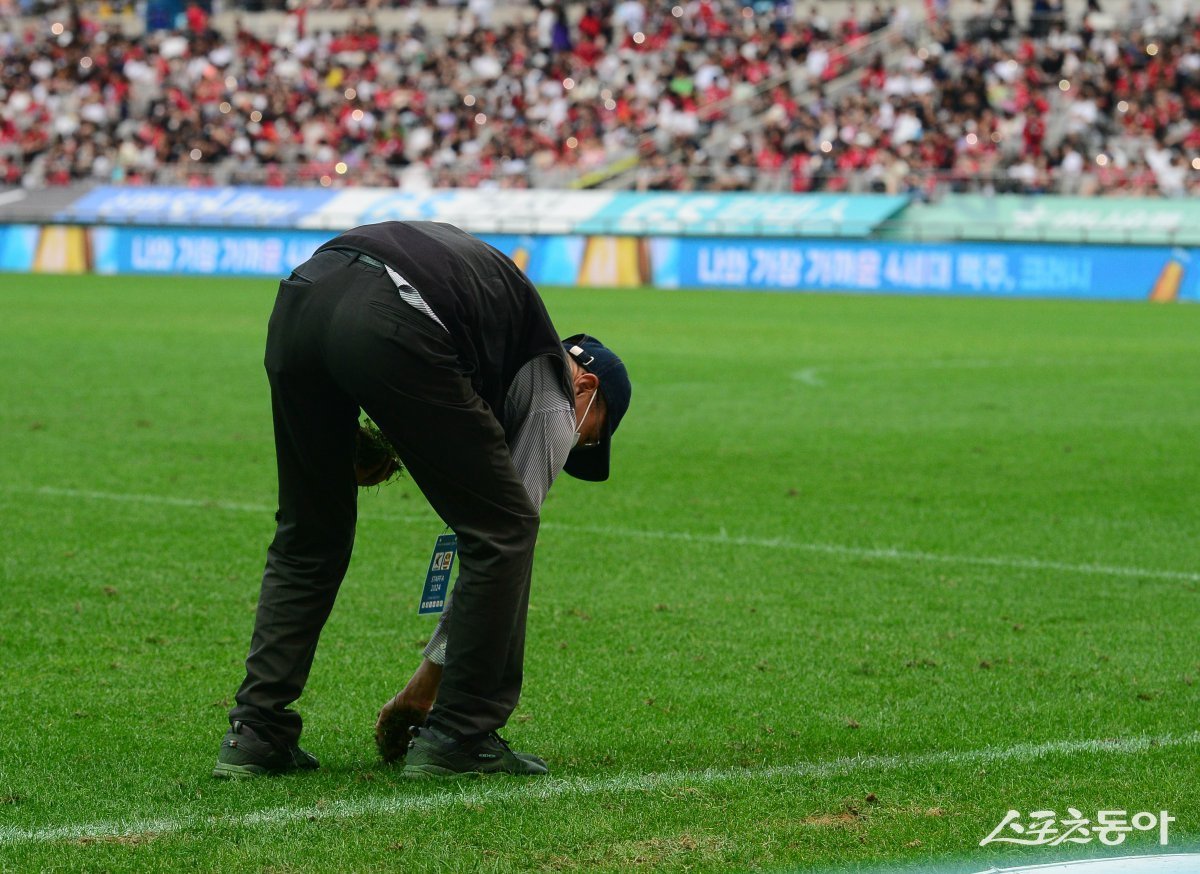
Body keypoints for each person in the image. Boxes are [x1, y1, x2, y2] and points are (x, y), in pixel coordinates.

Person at [212, 220, 631, 779]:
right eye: (591, 434)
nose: (572, 443)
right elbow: (501, 536)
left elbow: (437, 390)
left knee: (311, 532)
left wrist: (379, 433)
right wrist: (423, 691)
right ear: (588, 388)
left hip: (305, 297)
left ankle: (255, 732)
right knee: (504, 531)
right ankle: (460, 733)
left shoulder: (498, 348)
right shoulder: (557, 386)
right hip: (394, 310)